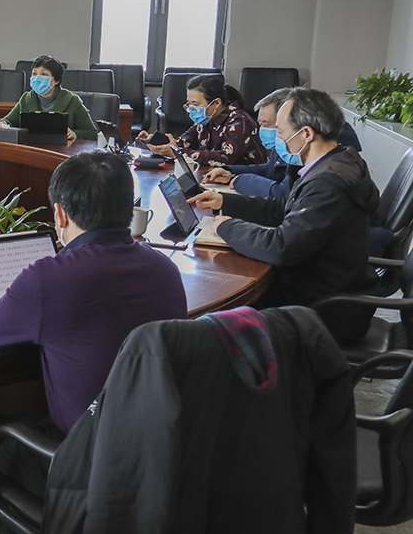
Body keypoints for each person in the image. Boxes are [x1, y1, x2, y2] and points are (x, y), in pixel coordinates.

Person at [0, 149, 188, 534]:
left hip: (84, 457)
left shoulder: (50, 278)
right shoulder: (164, 269)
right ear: (128, 207)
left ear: (60, 214)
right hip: (161, 449)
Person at [189, 87, 379, 343]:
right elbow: (285, 208)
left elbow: (281, 246)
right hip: (319, 290)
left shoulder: (327, 184)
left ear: (306, 134)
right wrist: (226, 202)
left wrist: (226, 227)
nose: (278, 139)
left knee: (212, 327)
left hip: (321, 310)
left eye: (280, 131)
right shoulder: (337, 161)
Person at [205, 87, 364, 200]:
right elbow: (270, 169)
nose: (262, 130)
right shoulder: (290, 143)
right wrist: (229, 171)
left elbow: (285, 194)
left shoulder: (313, 153)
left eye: (268, 124)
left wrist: (240, 181)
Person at [142, 74, 265, 167]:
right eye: (189, 104)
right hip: (213, 176)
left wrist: (176, 152)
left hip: (244, 180)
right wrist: (158, 143)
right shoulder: (206, 119)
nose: (191, 109)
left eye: (195, 104)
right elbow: (184, 143)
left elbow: (224, 158)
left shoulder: (240, 121)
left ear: (216, 103)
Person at [0, 55, 96, 142]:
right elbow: (8, 121)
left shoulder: (72, 100)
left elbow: (92, 133)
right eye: (34, 74)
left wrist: (74, 134)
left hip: (61, 150)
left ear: (56, 80)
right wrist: (2, 123)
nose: (37, 78)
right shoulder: (26, 98)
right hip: (32, 148)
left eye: (44, 74)